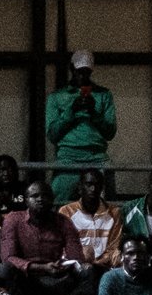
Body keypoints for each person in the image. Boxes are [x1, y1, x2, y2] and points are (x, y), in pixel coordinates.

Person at [45, 52, 117, 203]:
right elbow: (52, 134)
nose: (83, 77)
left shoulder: (103, 95)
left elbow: (110, 132)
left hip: (97, 156)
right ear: (72, 69)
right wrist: (70, 112)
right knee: (57, 202)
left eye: (87, 72)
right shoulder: (57, 97)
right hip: (67, 158)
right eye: (80, 72)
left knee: (106, 203)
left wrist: (94, 114)